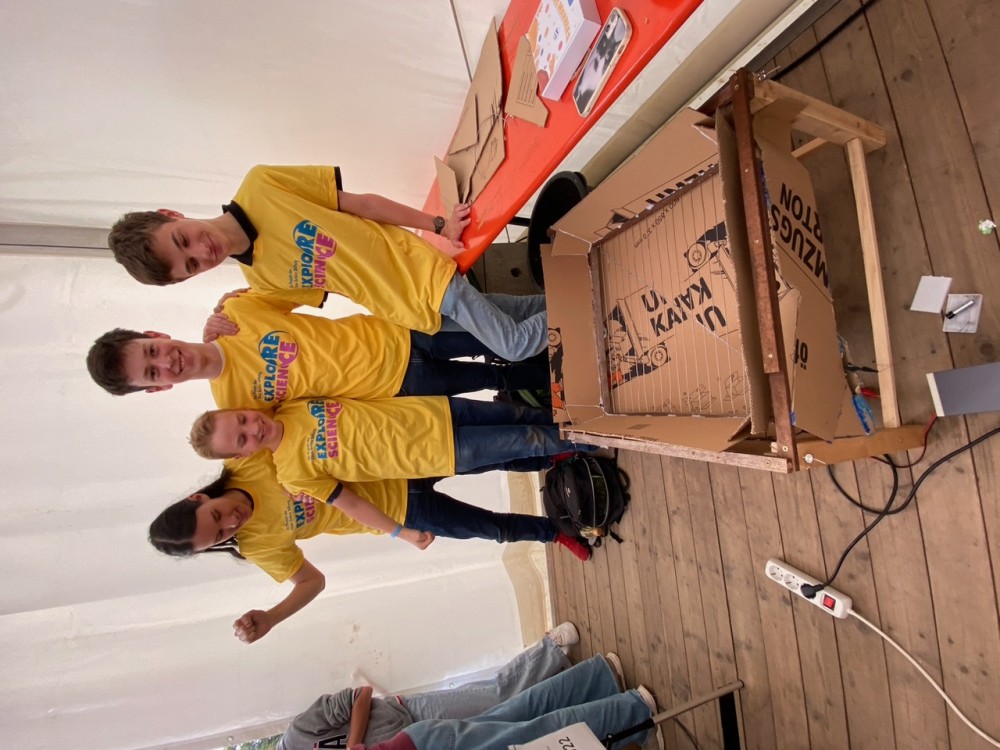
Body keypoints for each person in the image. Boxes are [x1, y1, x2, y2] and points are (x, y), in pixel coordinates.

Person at [108, 165, 548, 361]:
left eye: (183, 240)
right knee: (520, 312)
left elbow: (362, 204)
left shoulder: (262, 185)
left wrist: (437, 224)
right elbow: (260, 321)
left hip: (421, 273)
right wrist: (218, 320)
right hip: (409, 311)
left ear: (172, 215)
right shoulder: (260, 280)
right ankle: (578, 292)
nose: (202, 253)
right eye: (191, 265)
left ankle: (585, 310)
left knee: (512, 344)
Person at [148, 456, 591, 642]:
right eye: (220, 536)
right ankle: (556, 534)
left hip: (389, 456)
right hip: (399, 512)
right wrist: (271, 617)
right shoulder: (256, 546)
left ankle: (559, 453)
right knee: (489, 527)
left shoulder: (242, 461)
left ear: (199, 497)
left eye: (216, 516)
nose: (231, 523)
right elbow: (311, 582)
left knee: (488, 456)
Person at [86, 292, 548, 402]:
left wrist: (227, 299)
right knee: (501, 376)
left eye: (152, 351)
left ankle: (577, 294)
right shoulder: (234, 407)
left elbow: (310, 279)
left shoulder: (238, 310)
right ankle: (582, 329)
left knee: (510, 324)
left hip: (400, 332)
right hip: (400, 387)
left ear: (156, 336)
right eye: (153, 372)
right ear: (158, 389)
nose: (167, 361)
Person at [276, 623, 579, 750]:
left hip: (410, 714)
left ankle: (550, 648)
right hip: (417, 747)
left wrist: (354, 745)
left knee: (492, 696)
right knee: (503, 725)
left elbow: (361, 695)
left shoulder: (299, 733)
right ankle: (565, 680)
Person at [187, 396, 586, 488]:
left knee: (518, 415)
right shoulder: (291, 473)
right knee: (528, 440)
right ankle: (593, 439)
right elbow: (349, 504)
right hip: (440, 452)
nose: (252, 428)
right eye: (242, 438)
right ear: (243, 453)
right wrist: (400, 532)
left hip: (435, 410)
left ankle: (582, 419)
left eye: (242, 419)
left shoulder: (292, 404)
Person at [351, 654, 659, 750]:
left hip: (420, 742)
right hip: (417, 740)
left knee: (540, 737)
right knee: (519, 715)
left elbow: (357, 698)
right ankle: (601, 680)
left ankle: (635, 711)